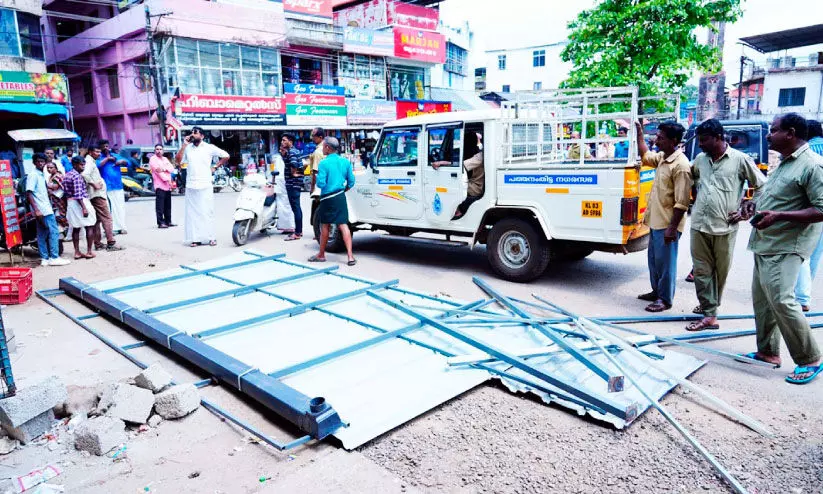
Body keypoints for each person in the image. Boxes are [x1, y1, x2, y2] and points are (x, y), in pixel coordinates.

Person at [744, 113, 823, 384]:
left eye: (773, 130)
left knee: (782, 301)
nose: (768, 135)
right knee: (763, 301)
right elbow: (775, 195)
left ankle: (809, 358)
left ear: (790, 133)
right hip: (766, 242)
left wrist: (779, 217)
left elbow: (821, 209)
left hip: (787, 245)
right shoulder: (785, 163)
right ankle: (768, 352)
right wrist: (752, 206)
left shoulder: (812, 165)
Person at [685, 119, 766, 331]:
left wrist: (748, 207)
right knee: (701, 271)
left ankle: (711, 306)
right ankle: (709, 312)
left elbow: (762, 186)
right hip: (699, 224)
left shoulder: (740, 160)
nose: (700, 144)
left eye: (704, 140)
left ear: (719, 138)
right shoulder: (700, 160)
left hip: (725, 226)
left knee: (720, 272)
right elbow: (690, 178)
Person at [635, 120, 691, 312]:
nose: (656, 140)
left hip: (668, 224)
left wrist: (672, 228)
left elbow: (682, 202)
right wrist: (639, 135)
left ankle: (665, 299)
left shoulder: (681, 165)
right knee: (654, 261)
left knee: (666, 264)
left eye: (661, 138)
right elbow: (645, 155)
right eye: (657, 136)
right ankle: (656, 291)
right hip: (656, 221)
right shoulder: (662, 157)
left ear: (673, 140)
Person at [176, 126, 229, 247]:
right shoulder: (188, 148)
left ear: (202, 136)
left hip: (205, 183)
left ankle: (211, 238)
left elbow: (226, 155)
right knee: (193, 213)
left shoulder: (209, 148)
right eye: (192, 133)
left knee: (207, 211)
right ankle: (195, 239)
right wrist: (184, 145)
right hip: (191, 184)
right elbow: (178, 161)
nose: (192, 134)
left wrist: (215, 167)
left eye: (195, 133)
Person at [308, 137, 356, 265]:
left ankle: (321, 255)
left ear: (328, 148)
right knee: (343, 225)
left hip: (327, 198)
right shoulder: (345, 162)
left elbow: (321, 183)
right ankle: (350, 257)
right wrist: (343, 189)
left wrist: (319, 179)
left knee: (325, 225)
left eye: (323, 146)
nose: (322, 149)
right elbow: (351, 181)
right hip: (340, 196)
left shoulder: (323, 163)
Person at [794, 119, 823, 311]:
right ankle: (805, 292)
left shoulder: (808, 152)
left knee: (803, 250)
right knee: (816, 252)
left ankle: (802, 297)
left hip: (810, 206)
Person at [26, 153, 70, 267]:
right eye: (38, 161)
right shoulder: (33, 175)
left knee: (42, 233)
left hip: (43, 208)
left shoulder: (41, 174)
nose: (41, 163)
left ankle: (44, 258)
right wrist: (36, 210)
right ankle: (54, 257)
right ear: (34, 162)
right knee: (54, 232)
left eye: (42, 161)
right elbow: (29, 193)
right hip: (43, 209)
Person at [432, 131, 485, 220]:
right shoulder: (477, 152)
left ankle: (456, 211)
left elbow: (461, 165)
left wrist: (440, 162)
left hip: (476, 187)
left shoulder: (480, 156)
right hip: (474, 183)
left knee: (448, 187)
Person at [83, 147, 121, 251]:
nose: (99, 154)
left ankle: (98, 243)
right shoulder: (89, 162)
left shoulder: (91, 161)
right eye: (96, 151)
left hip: (95, 194)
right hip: (97, 194)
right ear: (90, 152)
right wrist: (94, 184)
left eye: (99, 152)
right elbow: (85, 174)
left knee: (97, 220)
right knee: (107, 218)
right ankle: (111, 242)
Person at [61, 156, 97, 260]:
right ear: (75, 165)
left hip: (71, 203)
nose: (83, 167)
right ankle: (89, 251)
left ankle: (77, 252)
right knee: (89, 226)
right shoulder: (76, 176)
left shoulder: (67, 175)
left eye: (84, 164)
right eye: (81, 165)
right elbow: (78, 194)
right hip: (80, 203)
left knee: (75, 228)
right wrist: (84, 208)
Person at [96, 140, 128, 234]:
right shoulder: (99, 157)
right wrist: (107, 159)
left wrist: (122, 161)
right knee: (110, 208)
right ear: (100, 148)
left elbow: (128, 163)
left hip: (118, 185)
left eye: (107, 146)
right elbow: (97, 165)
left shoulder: (115, 155)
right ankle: (112, 229)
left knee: (120, 207)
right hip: (106, 186)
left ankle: (122, 226)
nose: (106, 148)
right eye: (103, 146)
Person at [281, 134, 304, 241]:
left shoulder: (292, 152)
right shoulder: (294, 151)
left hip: (293, 184)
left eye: (284, 140)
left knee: (296, 208)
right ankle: (299, 230)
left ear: (290, 141)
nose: (282, 142)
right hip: (295, 183)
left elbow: (293, 167)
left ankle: (297, 233)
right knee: (297, 207)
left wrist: (295, 174)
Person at [149, 144, 176, 228]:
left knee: (168, 205)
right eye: (157, 149)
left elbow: (171, 168)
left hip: (167, 186)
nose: (159, 151)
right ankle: (160, 222)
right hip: (159, 185)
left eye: (160, 149)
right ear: (154, 150)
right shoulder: (153, 159)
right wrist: (168, 179)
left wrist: (164, 169)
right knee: (160, 206)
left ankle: (168, 221)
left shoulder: (165, 159)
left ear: (163, 151)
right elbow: (158, 172)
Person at [44, 162, 68, 233]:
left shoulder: (58, 176)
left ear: (56, 168)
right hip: (55, 200)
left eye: (51, 168)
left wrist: (46, 186)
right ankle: (65, 230)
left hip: (60, 199)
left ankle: (67, 230)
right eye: (48, 168)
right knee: (58, 215)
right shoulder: (50, 176)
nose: (49, 169)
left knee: (62, 215)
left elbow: (55, 186)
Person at [308, 128, 325, 196]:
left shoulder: (318, 152)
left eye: (313, 135)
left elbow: (315, 172)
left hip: (318, 186)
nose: (311, 138)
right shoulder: (326, 148)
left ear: (320, 137)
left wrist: (312, 189)